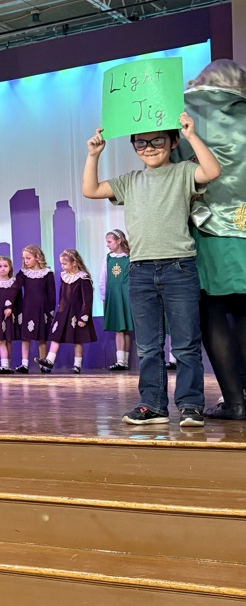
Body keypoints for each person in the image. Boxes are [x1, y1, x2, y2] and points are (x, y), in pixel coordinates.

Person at [82, 112, 221, 427]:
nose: (149, 147)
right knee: (147, 346)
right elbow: (90, 190)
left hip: (179, 267)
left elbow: (212, 170)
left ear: (173, 143)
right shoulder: (129, 180)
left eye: (157, 140)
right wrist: (93, 155)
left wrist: (192, 135)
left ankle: (190, 406)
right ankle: (153, 405)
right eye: (141, 142)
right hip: (141, 271)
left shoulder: (183, 172)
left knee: (185, 343)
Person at [181, 59, 246, 419]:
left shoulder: (188, 118)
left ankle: (235, 402)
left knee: (213, 313)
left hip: (209, 231)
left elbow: (173, 167)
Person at [36, 248, 97, 373]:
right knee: (56, 336)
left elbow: (87, 300)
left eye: (65, 264)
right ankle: (49, 360)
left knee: (78, 338)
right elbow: (62, 295)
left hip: (77, 313)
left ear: (74, 263)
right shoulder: (64, 277)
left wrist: (84, 316)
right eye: (61, 264)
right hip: (63, 312)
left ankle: (77, 365)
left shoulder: (83, 278)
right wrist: (59, 310)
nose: (62, 266)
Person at [16, 245, 55, 373]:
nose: (26, 261)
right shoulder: (23, 273)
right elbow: (16, 290)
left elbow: (51, 293)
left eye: (28, 258)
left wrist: (50, 310)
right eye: (24, 258)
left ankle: (43, 363)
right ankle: (24, 364)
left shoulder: (47, 274)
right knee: (25, 336)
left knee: (42, 337)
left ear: (37, 257)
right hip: (27, 307)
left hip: (42, 308)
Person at [100, 228, 133, 371]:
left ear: (119, 241)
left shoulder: (129, 258)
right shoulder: (108, 258)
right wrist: (104, 296)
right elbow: (103, 279)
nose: (107, 245)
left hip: (126, 294)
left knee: (124, 329)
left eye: (110, 241)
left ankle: (123, 361)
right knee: (119, 329)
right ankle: (120, 361)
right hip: (113, 294)